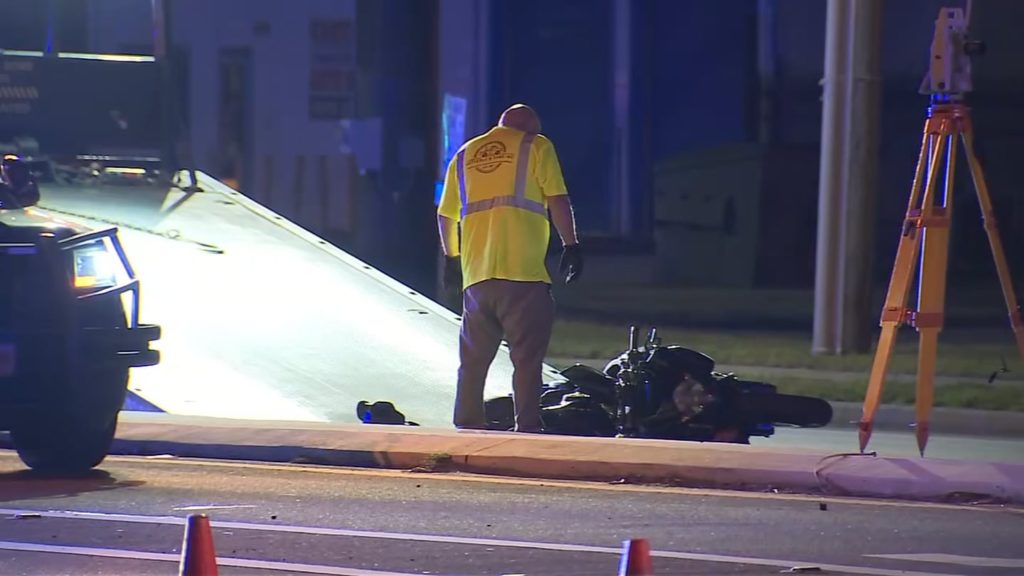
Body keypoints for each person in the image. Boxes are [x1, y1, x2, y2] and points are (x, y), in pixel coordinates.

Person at [436, 104, 582, 432]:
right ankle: (527, 427)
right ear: (530, 128)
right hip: (523, 275)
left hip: (477, 277)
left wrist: (451, 259)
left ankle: (467, 423)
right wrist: (571, 244)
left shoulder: (464, 154)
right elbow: (558, 198)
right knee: (526, 360)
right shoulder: (536, 145)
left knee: (472, 362)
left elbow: (446, 215)